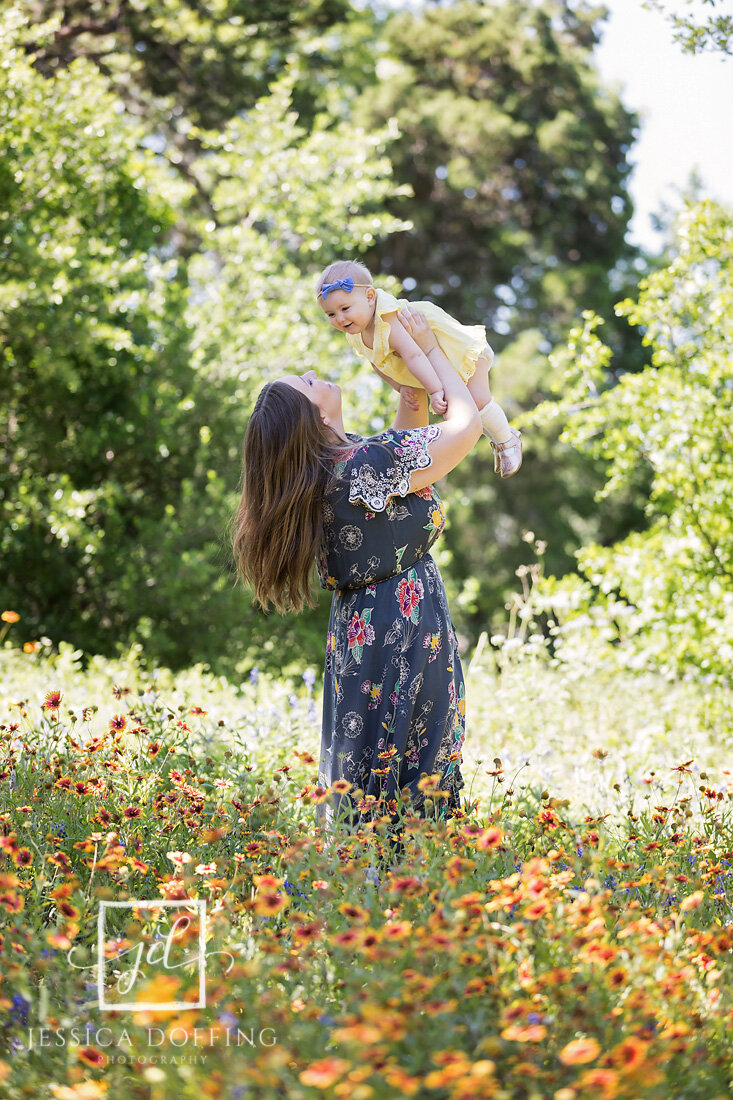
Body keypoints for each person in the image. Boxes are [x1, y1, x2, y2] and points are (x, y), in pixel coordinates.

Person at [232, 306, 482, 840]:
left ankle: (367, 885)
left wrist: (409, 389)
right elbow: (466, 427)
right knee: (419, 763)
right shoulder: (364, 465)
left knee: (369, 762)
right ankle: (415, 890)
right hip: (406, 625)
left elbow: (395, 460)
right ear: (314, 418)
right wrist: (432, 350)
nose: (311, 374)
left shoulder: (328, 473)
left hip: (360, 630)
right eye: (304, 384)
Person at [315, 258, 522, 478]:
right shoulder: (356, 333)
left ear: (370, 297)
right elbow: (376, 364)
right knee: (464, 407)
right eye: (331, 314)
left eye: (345, 308)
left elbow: (413, 354)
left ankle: (507, 441)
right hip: (437, 363)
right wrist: (400, 387)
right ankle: (500, 437)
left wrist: (434, 390)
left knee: (477, 401)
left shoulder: (387, 320)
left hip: (457, 350)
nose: (340, 318)